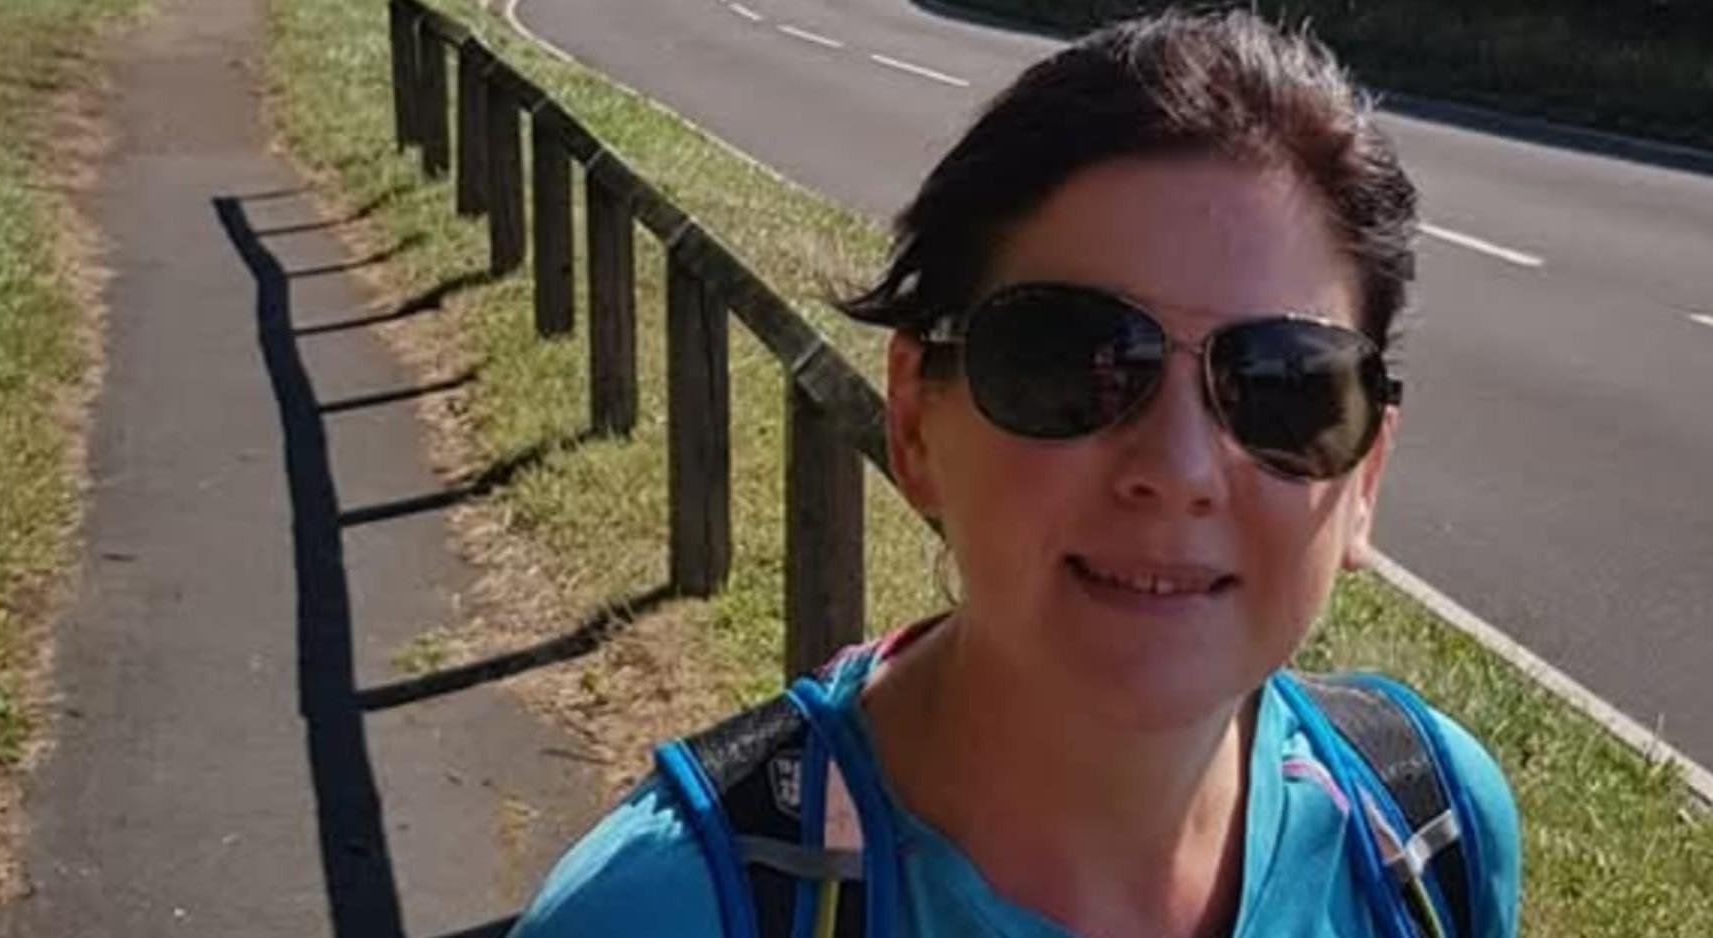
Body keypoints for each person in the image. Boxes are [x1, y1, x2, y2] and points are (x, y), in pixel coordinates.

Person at [509, 10, 1519, 937]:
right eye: (1072, 362)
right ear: (916, 421)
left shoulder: (1429, 829)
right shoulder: (655, 913)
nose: (1178, 469)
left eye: (1284, 386)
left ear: (1365, 477)